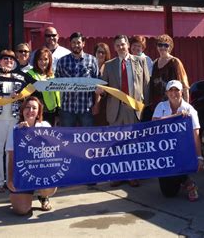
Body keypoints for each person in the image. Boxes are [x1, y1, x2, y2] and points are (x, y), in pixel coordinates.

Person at [98, 35, 150, 187]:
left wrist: (144, 108)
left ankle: (133, 175)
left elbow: (146, 85)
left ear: (127, 45)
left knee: (133, 144)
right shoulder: (109, 65)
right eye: (117, 45)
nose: (121, 47)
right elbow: (104, 89)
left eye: (123, 44)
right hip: (116, 110)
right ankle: (118, 175)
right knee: (116, 144)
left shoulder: (140, 61)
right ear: (114, 48)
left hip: (134, 109)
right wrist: (100, 91)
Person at [0, 50, 27, 193]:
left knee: (10, 150)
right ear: (0, 61)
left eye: (11, 59)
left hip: (13, 117)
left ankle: (10, 180)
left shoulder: (19, 77)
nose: (8, 61)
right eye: (5, 59)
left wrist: (20, 95)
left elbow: (29, 90)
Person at [152, 80, 204, 202]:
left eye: (177, 90)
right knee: (168, 193)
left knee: (177, 163)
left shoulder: (190, 109)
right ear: (166, 93)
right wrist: (176, 116)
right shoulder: (161, 106)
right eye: (171, 90)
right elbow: (154, 123)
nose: (174, 93)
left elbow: (195, 134)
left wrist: (199, 157)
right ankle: (183, 181)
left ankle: (188, 182)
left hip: (182, 150)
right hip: (164, 150)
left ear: (182, 92)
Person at [6, 97, 57, 215]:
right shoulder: (15, 129)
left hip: (40, 172)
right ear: (22, 110)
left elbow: (50, 152)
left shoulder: (45, 126)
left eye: (34, 108)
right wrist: (9, 180)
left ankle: (43, 196)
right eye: (27, 107)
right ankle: (20, 196)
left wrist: (30, 134)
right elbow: (11, 157)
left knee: (50, 188)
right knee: (22, 210)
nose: (30, 110)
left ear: (39, 112)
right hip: (23, 174)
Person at [55, 32, 99, 127]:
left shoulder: (92, 60)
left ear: (83, 43)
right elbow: (56, 82)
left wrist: (96, 105)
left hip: (86, 108)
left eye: (78, 42)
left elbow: (98, 85)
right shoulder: (62, 61)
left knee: (87, 137)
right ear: (70, 44)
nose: (76, 45)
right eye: (73, 42)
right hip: (67, 108)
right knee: (67, 138)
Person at [150, 34, 189, 113]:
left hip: (174, 105)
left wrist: (185, 107)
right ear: (157, 46)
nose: (163, 47)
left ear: (170, 47)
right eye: (160, 45)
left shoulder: (175, 62)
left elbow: (184, 86)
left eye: (166, 45)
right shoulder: (154, 63)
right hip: (158, 106)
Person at [26, 48, 60, 126]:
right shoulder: (29, 74)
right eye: (40, 59)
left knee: (48, 136)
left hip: (51, 112)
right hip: (35, 112)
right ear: (36, 60)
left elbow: (57, 95)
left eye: (45, 59)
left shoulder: (52, 75)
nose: (43, 62)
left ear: (50, 60)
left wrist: (58, 112)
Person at [92, 43, 111, 126]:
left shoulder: (108, 68)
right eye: (98, 52)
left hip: (104, 105)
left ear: (107, 54)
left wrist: (97, 105)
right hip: (90, 103)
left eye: (103, 52)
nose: (100, 54)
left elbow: (101, 88)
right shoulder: (91, 67)